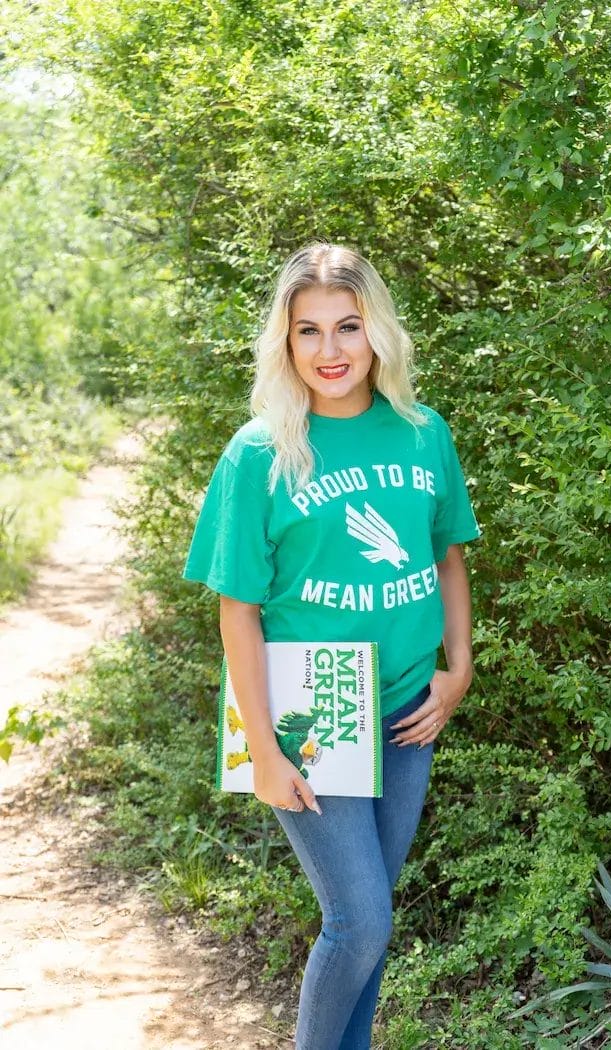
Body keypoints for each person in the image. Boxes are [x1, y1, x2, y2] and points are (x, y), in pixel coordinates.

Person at [181, 241, 482, 1049]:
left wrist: (460, 668)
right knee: (358, 920)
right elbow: (237, 611)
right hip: (312, 710)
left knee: (371, 925)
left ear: (376, 329)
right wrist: (267, 749)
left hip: (410, 705)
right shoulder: (260, 454)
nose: (330, 351)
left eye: (346, 326)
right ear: (284, 343)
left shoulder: (423, 434)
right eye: (307, 331)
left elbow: (448, 556)